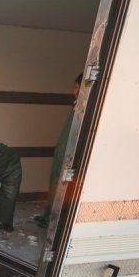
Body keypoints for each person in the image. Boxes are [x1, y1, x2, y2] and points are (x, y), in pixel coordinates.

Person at [36, 73, 83, 228]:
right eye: (75, 87)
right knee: (55, 184)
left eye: (78, 87)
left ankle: (56, 221)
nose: (75, 91)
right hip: (62, 151)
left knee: (63, 187)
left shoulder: (86, 108)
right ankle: (49, 217)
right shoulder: (77, 105)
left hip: (70, 154)